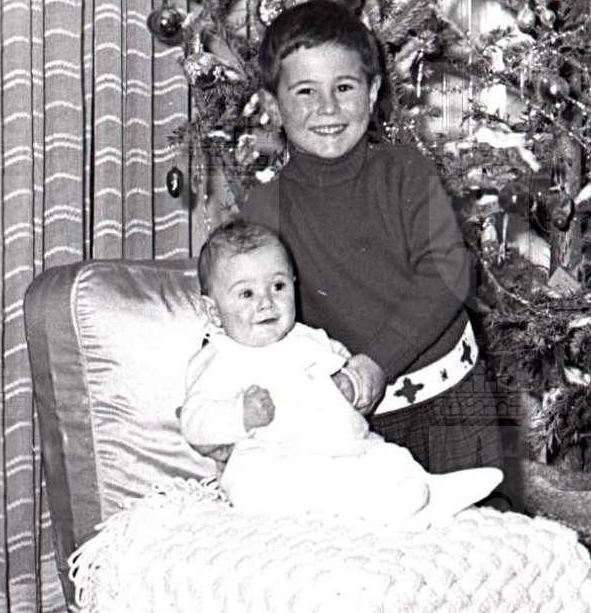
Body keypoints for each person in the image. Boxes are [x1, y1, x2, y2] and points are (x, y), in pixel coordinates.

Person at [237, 0, 508, 478]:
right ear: (273, 107)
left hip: (450, 402)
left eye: (344, 87)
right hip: (350, 423)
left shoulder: (406, 172)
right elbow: (252, 314)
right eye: (305, 92)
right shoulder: (264, 210)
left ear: (373, 91)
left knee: (472, 521)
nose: (327, 108)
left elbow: (447, 274)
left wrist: (377, 362)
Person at [181, 220, 501, 523]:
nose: (266, 303)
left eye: (277, 286)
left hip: (346, 448)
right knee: (253, 483)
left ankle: (430, 490)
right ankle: (385, 506)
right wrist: (239, 415)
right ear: (213, 310)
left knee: (387, 457)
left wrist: (351, 385)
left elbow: (348, 369)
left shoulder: (310, 339)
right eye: (246, 294)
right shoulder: (221, 358)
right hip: (276, 457)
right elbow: (194, 421)